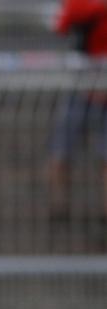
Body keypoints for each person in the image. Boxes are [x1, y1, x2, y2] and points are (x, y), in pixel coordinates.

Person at [49, 0, 107, 224]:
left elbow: (61, 27)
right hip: (87, 88)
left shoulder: (79, 4)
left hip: (81, 88)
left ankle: (59, 209)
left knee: (61, 151)